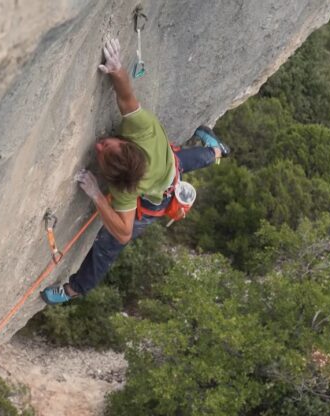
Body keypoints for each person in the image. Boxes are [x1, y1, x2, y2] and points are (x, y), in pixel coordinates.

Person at [41, 38, 230, 305]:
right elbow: (126, 95)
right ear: (128, 143)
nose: (98, 145)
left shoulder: (125, 189)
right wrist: (116, 69)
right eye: (106, 147)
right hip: (168, 166)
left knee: (108, 243)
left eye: (102, 151)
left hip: (158, 197)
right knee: (179, 162)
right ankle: (217, 151)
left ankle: (73, 290)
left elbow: (123, 232)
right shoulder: (143, 130)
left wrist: (96, 194)